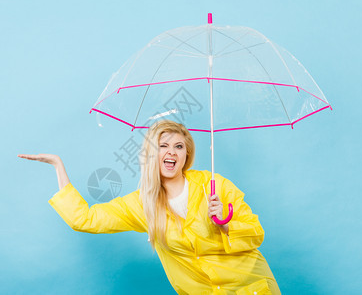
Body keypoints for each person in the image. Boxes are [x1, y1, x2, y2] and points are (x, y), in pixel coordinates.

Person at [18, 120, 281, 294]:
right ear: (151, 154)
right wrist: (57, 165)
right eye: (163, 146)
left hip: (252, 287)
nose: (172, 152)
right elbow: (85, 219)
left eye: (179, 146)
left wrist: (225, 222)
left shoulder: (215, 185)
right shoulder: (143, 204)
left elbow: (257, 234)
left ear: (186, 154)